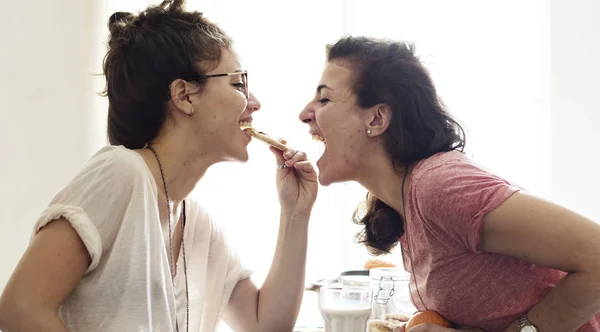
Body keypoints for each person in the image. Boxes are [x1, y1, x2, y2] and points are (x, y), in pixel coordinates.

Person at [0, 1, 317, 331]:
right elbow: (21, 308)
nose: (254, 103)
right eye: (238, 83)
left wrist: (296, 214)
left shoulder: (193, 220)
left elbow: (265, 324)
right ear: (184, 95)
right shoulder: (122, 173)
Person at [299, 36, 600, 332]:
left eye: (323, 98)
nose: (304, 114)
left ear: (377, 118)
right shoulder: (405, 203)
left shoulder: (439, 185)